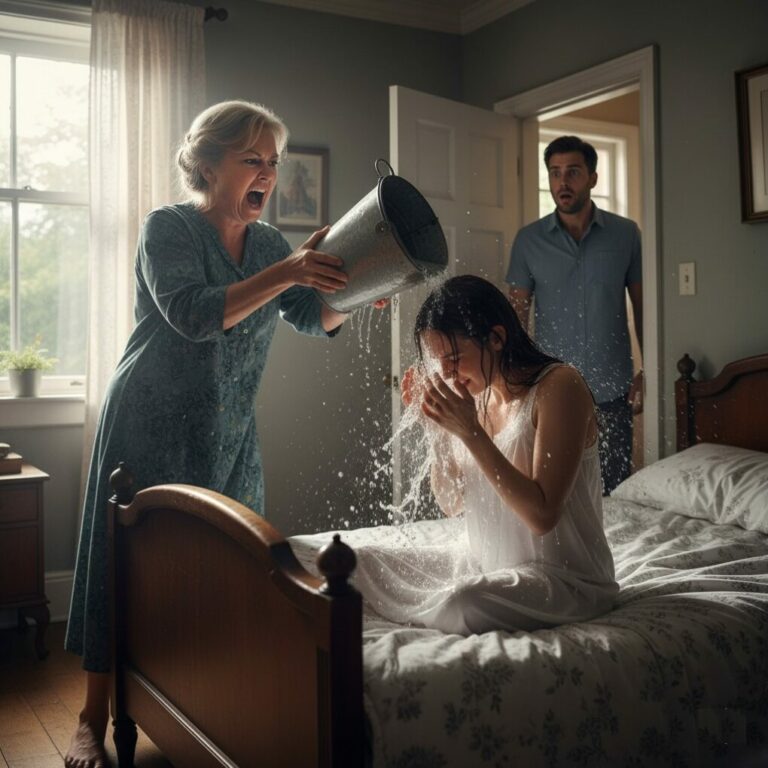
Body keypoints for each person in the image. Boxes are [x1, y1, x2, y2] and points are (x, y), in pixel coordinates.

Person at [64, 100, 383, 768]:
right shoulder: (167, 228)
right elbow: (192, 315)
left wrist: (358, 288)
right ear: (208, 165)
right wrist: (293, 270)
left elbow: (312, 317)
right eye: (251, 160)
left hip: (230, 430)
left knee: (230, 578)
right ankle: (92, 719)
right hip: (147, 422)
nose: (266, 173)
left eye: (272, 162)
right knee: (127, 571)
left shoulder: (269, 246)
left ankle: (207, 709)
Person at [348, 275, 617, 636]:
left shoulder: (559, 387)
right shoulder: (478, 395)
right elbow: (452, 502)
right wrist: (438, 425)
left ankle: (405, 616)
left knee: (463, 602)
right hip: (488, 566)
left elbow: (542, 515)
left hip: (566, 581)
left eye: (455, 358)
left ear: (496, 338)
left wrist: (471, 433)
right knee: (360, 564)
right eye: (438, 361)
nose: (446, 372)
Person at [506, 135, 643, 495]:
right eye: (554, 173)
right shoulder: (528, 241)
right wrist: (517, 378)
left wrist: (648, 371)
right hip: (550, 390)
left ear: (593, 178)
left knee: (615, 493)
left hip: (613, 390)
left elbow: (645, 308)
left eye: (573, 172)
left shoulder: (626, 235)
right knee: (555, 492)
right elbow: (517, 316)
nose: (562, 183)